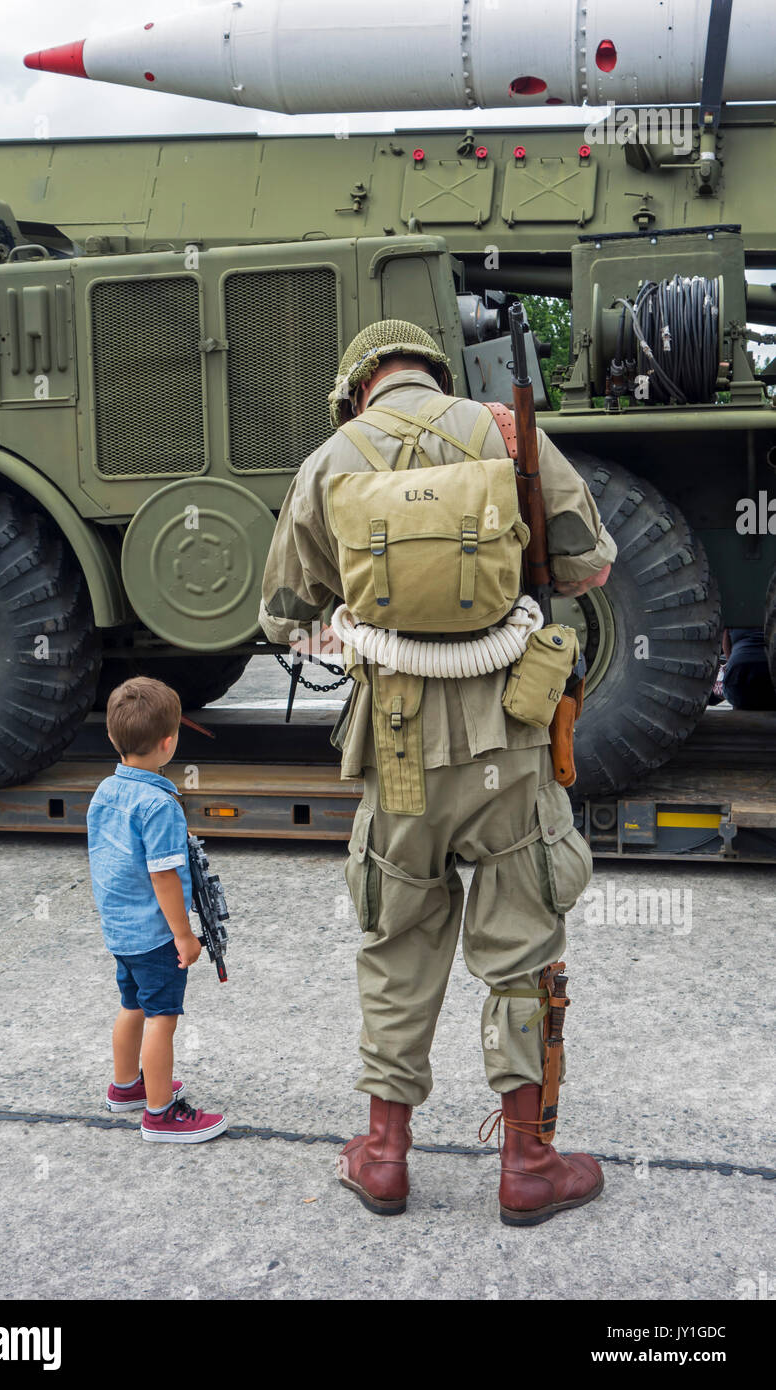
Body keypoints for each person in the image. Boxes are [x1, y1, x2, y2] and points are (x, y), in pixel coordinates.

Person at [259, 320, 616, 1225]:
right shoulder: (508, 432)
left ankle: (383, 1156)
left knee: (397, 942)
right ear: (432, 370)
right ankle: (528, 1163)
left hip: (398, 750)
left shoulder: (328, 460)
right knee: (523, 949)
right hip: (509, 745)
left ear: (360, 385)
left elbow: (281, 615)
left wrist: (363, 616)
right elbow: (589, 565)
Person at [86, 676, 227, 1144]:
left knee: (131, 1005)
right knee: (162, 1017)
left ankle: (125, 1086)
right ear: (168, 744)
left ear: (112, 737)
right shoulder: (159, 804)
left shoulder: (105, 791)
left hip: (120, 929)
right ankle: (160, 1113)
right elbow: (164, 876)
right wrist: (184, 936)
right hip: (154, 933)